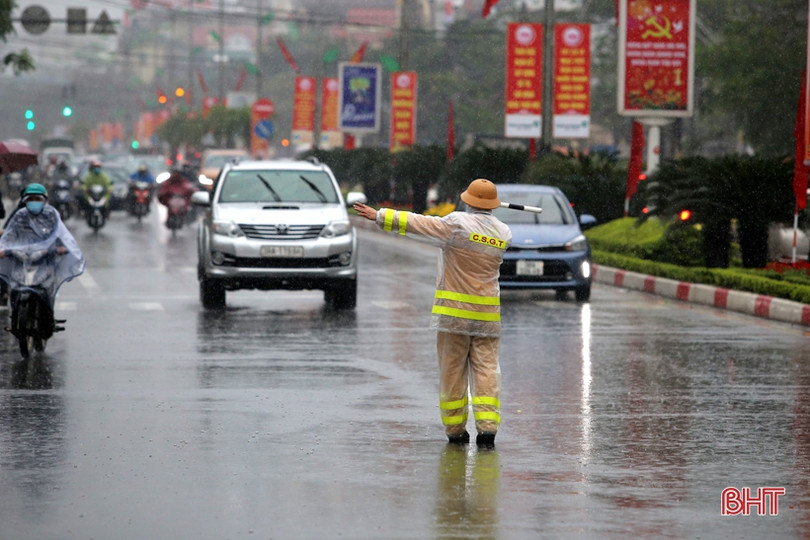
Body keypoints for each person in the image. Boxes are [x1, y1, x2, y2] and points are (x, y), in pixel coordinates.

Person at [354, 178, 512, 449]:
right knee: (486, 370)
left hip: (454, 316)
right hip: (487, 317)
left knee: (453, 371)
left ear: (468, 200)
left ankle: (455, 430)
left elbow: (419, 223)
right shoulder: (503, 233)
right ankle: (488, 430)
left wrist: (379, 215)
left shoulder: (456, 226)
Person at [0, 183, 85, 337]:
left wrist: (60, 248)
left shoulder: (51, 215)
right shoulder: (20, 216)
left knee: (46, 292)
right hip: (22, 260)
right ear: (25, 200)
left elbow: (61, 235)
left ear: (44, 200)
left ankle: (48, 319)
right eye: (30, 198)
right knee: (14, 290)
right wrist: (4, 249)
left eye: (37, 198)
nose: (34, 201)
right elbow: (10, 235)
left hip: (44, 260)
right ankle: (15, 318)